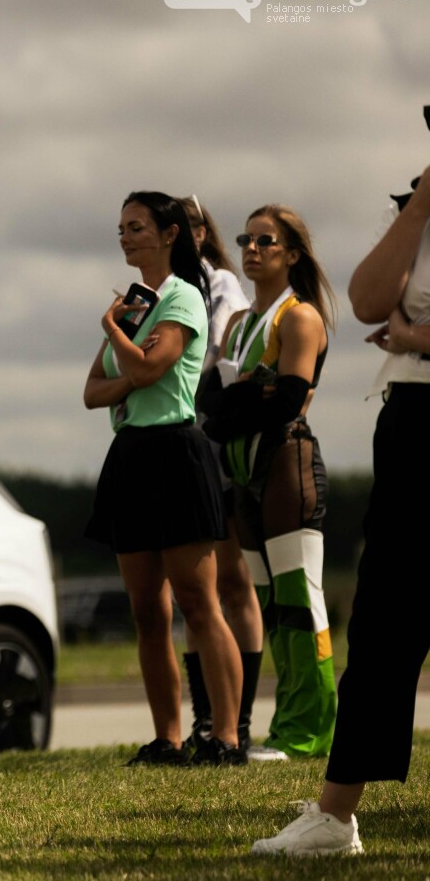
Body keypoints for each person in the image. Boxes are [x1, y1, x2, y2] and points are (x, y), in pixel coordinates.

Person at [252, 162, 430, 856]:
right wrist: (418, 206)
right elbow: (364, 299)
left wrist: (414, 338)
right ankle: (335, 815)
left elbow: (394, 319)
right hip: (415, 416)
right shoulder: (413, 209)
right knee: (385, 615)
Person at [82, 191, 246, 767]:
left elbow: (153, 366)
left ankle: (226, 736)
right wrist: (131, 362)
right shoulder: (135, 302)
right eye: (121, 227)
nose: (125, 236)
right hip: (130, 455)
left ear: (169, 233)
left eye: (137, 226)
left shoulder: (182, 296)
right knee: (147, 610)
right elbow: (92, 390)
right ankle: (167, 738)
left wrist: (114, 333)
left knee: (199, 603)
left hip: (177, 451)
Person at [201, 205, 337, 763]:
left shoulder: (299, 318)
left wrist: (243, 398)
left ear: (292, 253)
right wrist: (245, 394)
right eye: (246, 240)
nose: (252, 249)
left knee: (301, 604)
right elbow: (208, 403)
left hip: (287, 467)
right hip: (243, 478)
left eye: (267, 241)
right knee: (272, 607)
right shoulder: (237, 324)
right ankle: (286, 726)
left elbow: (285, 401)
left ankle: (310, 731)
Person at [178, 196, 266, 757]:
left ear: (202, 230)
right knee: (195, 589)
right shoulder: (163, 290)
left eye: (187, 225)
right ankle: (207, 720)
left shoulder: (221, 289)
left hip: (215, 445)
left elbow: (213, 361)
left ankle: (241, 718)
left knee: (231, 582)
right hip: (181, 447)